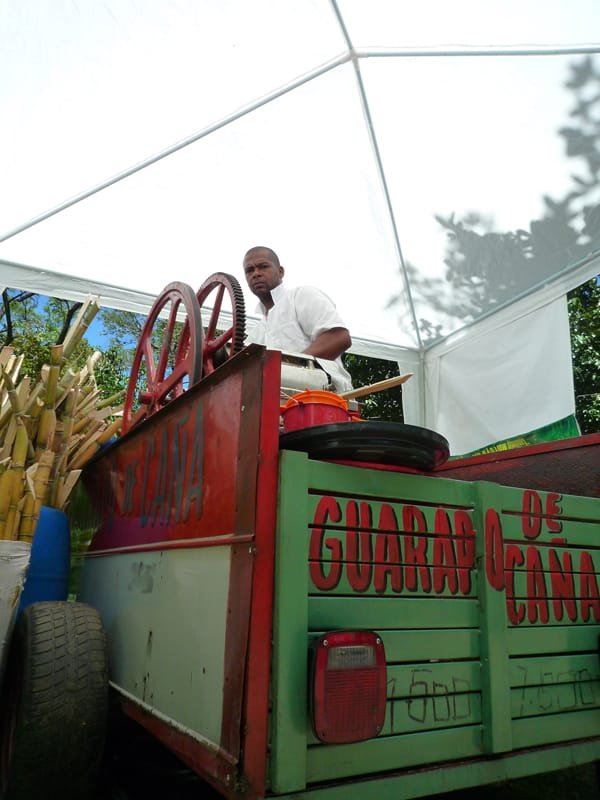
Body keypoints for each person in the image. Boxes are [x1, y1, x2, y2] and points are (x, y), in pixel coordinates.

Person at [243, 246, 353, 392]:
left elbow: (338, 338)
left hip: (326, 397)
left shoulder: (301, 296)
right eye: (249, 270)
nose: (256, 274)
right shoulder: (255, 334)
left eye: (263, 266)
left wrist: (288, 368)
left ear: (280, 271)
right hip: (278, 402)